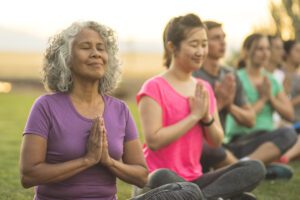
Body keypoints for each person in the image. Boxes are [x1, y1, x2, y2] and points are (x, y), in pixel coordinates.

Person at [19, 20, 204, 200]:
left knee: (190, 191)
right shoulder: (46, 107)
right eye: (85, 47)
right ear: (65, 57)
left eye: (101, 48)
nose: (96, 53)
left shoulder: (119, 110)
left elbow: (140, 176)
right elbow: (29, 175)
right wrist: (87, 160)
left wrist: (108, 161)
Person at [136, 13, 265, 200]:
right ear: (172, 47)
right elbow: (154, 141)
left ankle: (198, 197)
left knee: (254, 168)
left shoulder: (203, 88)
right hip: (161, 182)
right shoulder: (154, 87)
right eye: (194, 44)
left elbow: (217, 141)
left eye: (204, 44)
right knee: (161, 175)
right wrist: (194, 116)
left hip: (196, 179)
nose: (201, 51)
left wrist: (206, 118)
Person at [225, 33, 297, 179]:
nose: (265, 53)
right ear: (246, 51)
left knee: (289, 133)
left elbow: (290, 114)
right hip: (242, 140)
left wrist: (271, 97)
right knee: (287, 134)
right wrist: (264, 99)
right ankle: (248, 167)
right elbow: (245, 118)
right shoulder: (236, 78)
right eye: (259, 49)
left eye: (267, 49)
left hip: (267, 140)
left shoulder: (271, 80)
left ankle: (247, 166)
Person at [193, 21, 255, 172]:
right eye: (216, 38)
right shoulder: (193, 76)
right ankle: (245, 170)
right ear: (204, 44)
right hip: (201, 146)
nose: (223, 42)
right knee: (211, 148)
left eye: (224, 37)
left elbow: (250, 120)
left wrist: (229, 106)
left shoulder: (230, 75)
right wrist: (218, 103)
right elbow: (192, 125)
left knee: (286, 134)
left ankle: (240, 166)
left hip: (224, 143)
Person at [278, 39, 300, 162]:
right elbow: (282, 105)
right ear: (286, 53)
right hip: (286, 123)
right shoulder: (279, 75)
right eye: (297, 50)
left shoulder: (298, 76)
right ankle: (286, 157)